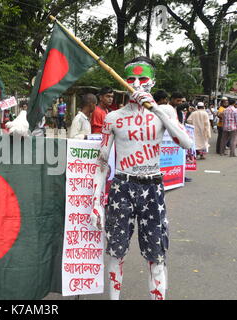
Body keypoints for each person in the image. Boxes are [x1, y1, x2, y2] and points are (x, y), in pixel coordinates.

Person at [91, 56, 192, 300]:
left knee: (156, 253)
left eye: (143, 78)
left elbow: (186, 144)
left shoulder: (164, 111)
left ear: (153, 82)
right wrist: (96, 201)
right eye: (131, 79)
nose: (136, 83)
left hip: (152, 186)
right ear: (123, 82)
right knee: (116, 252)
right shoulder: (113, 118)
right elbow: (102, 161)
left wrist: (155, 107)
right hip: (122, 186)